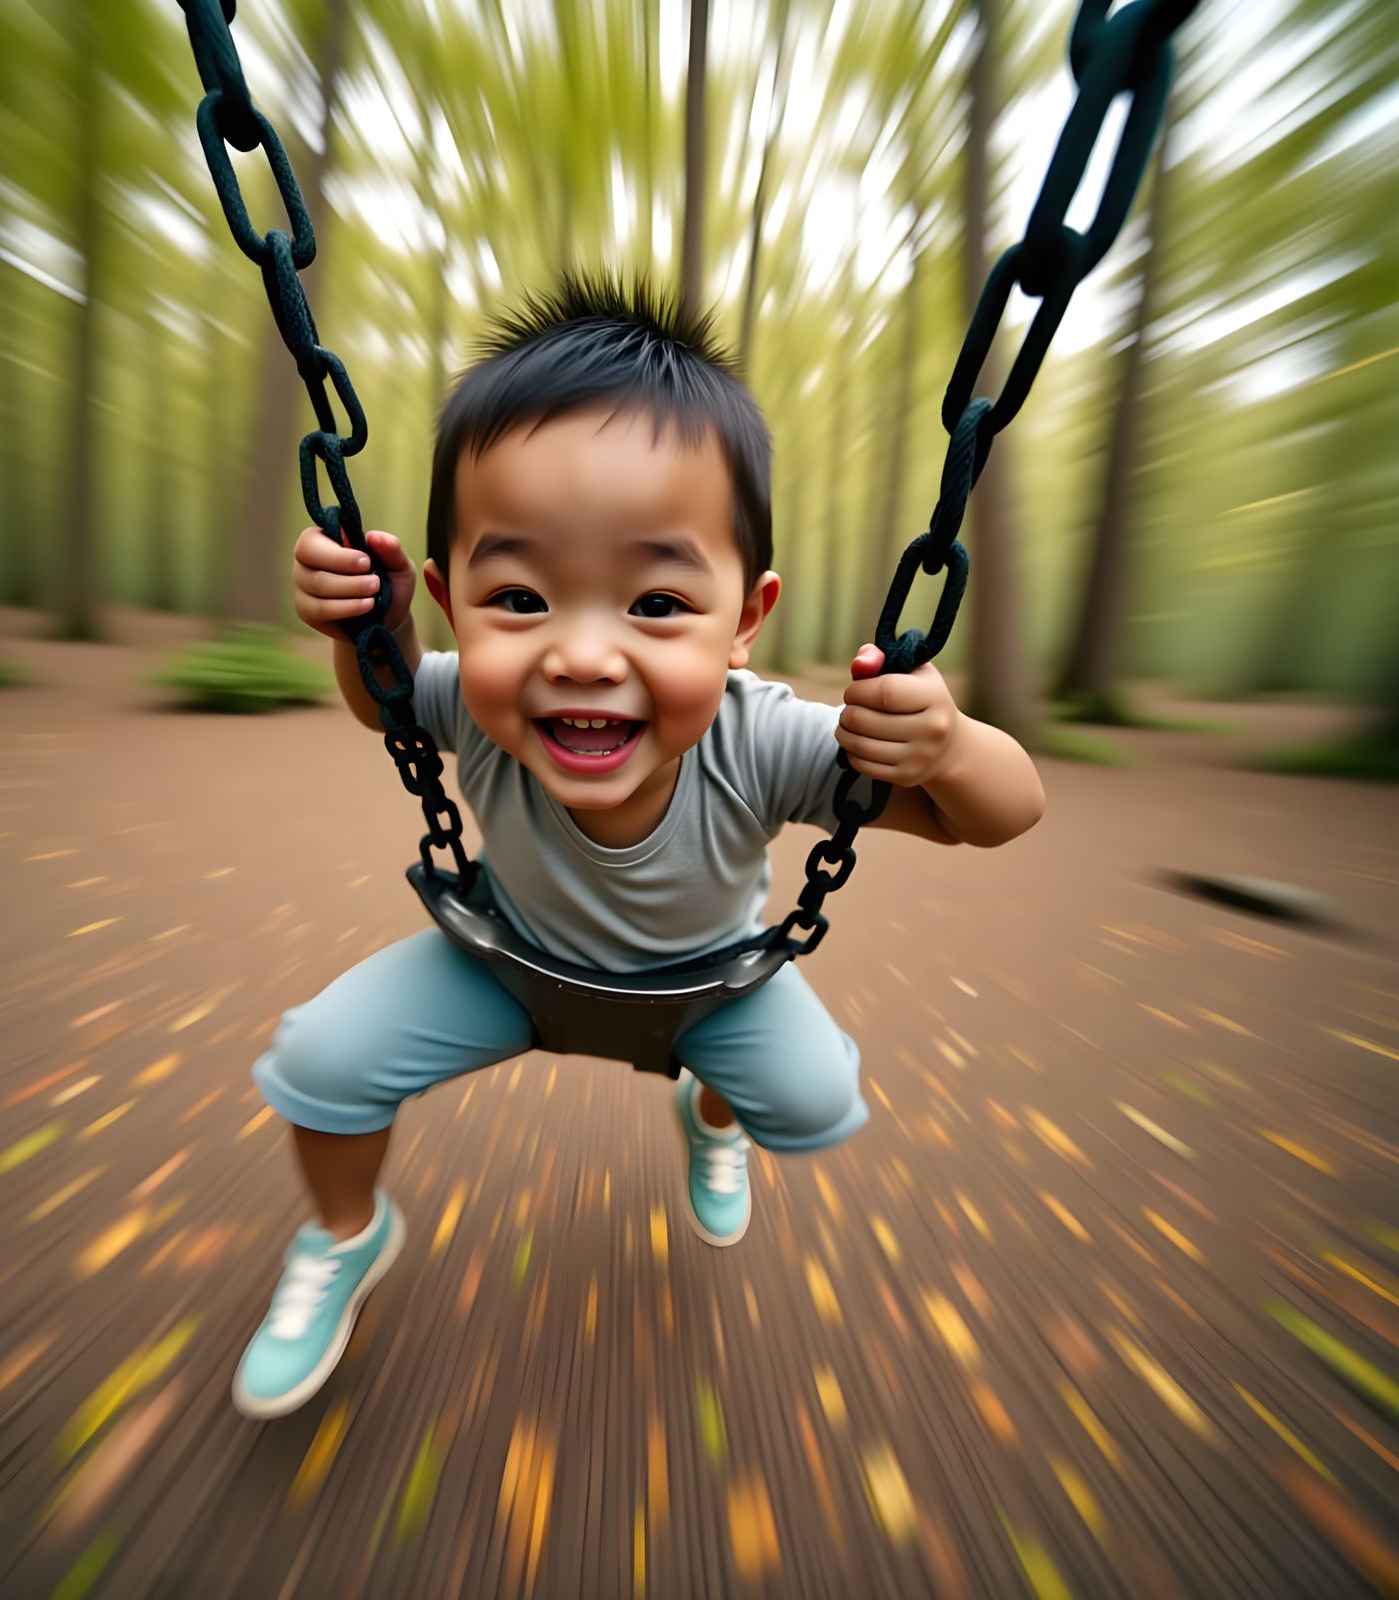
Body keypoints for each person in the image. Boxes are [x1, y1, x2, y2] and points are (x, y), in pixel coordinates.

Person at [232, 276, 1046, 1419]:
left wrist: (949, 744)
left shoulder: (764, 739)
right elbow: (386, 705)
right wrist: (373, 633)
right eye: (516, 595)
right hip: (502, 965)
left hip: (706, 992)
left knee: (812, 1102)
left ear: (744, 617)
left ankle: (705, 1108)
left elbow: (996, 816)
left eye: (657, 604)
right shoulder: (472, 695)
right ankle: (345, 1234)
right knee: (319, 1061)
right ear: (451, 595)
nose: (579, 653)